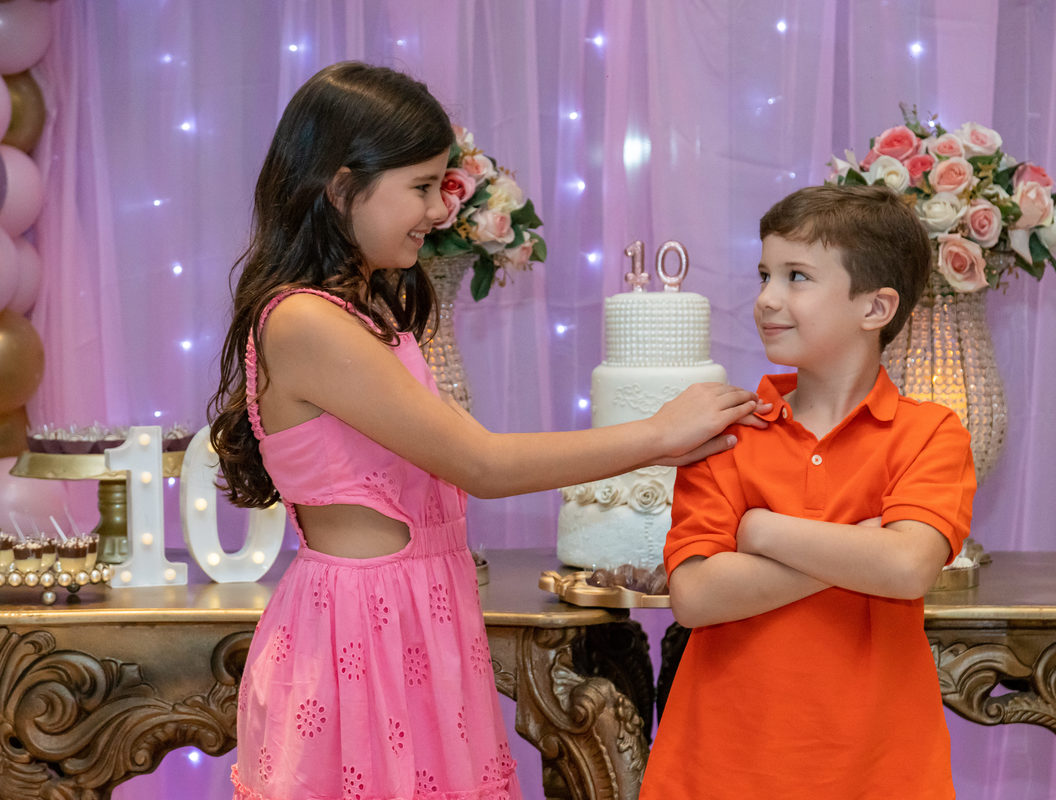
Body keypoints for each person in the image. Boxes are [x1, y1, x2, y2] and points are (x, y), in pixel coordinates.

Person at [207, 62, 762, 800]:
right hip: (360, 635)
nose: (440, 211)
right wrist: (659, 432)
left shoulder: (365, 310)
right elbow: (483, 464)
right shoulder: (306, 320)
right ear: (341, 187)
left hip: (413, 619)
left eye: (443, 187)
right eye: (421, 187)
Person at [639, 184, 976, 799]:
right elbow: (695, 595)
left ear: (875, 308)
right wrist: (862, 547)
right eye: (764, 274)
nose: (766, 298)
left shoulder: (931, 433)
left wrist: (763, 531)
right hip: (719, 771)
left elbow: (906, 569)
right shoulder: (726, 433)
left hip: (881, 774)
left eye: (796, 277)